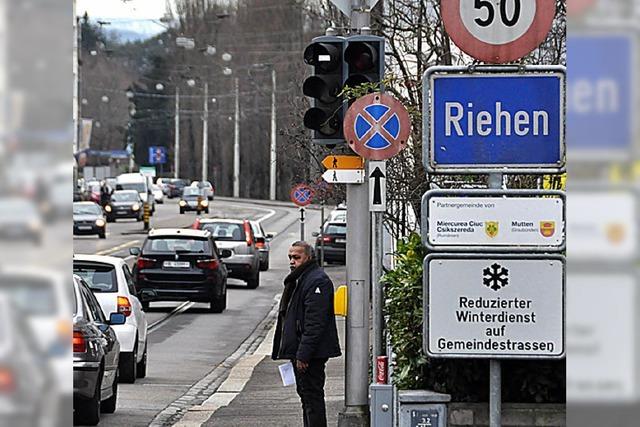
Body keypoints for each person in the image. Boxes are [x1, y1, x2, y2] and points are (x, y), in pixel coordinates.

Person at [272, 241, 341, 427]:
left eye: (296, 257)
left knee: (312, 398)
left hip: (311, 354)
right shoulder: (300, 279)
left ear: (308, 257)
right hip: (302, 351)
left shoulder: (317, 280)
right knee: (306, 398)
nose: (292, 261)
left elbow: (314, 323)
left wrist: (303, 354)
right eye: (290, 257)